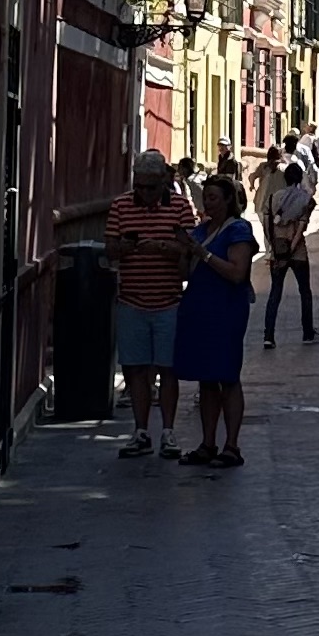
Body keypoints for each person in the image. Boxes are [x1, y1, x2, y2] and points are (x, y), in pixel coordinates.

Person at [104, 146, 195, 457]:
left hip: (169, 301)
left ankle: (168, 432)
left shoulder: (180, 206)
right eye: (139, 186)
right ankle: (141, 431)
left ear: (162, 182)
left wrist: (165, 249)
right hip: (131, 301)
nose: (143, 193)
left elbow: (189, 248)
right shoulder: (120, 206)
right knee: (135, 370)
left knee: (168, 370)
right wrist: (127, 247)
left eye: (150, 187)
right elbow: (110, 249)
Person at [173, 173, 258, 465]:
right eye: (205, 197)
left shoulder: (239, 231)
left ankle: (231, 445)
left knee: (228, 376)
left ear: (227, 200)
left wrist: (203, 253)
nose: (207, 203)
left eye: (213, 198)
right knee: (207, 378)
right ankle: (207, 443)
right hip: (199, 308)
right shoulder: (200, 230)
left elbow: (237, 273)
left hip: (226, 310)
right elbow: (184, 273)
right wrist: (184, 252)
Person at [262, 135, 319, 347]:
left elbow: (267, 225)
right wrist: (293, 247)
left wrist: (273, 245)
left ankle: (268, 336)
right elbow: (301, 227)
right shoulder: (305, 200)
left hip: (278, 249)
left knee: (275, 293)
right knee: (304, 291)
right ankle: (307, 332)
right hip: (297, 251)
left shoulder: (273, 198)